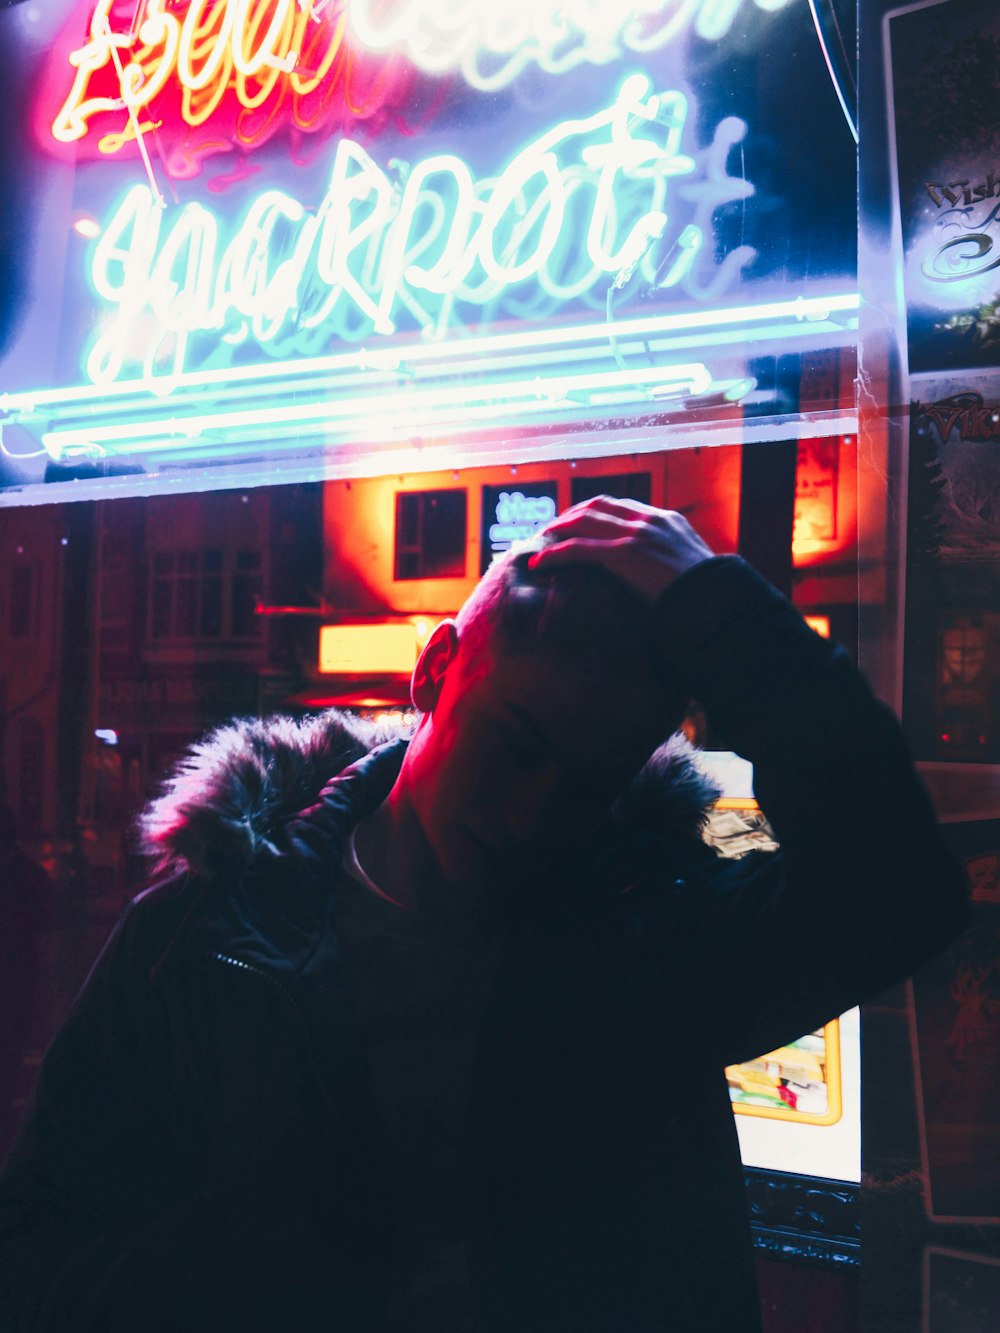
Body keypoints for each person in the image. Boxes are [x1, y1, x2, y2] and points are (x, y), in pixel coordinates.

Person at [0, 497, 968, 1332]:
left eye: (592, 783)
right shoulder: (200, 934)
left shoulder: (647, 933)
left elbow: (896, 893)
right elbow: (40, 1255)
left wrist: (722, 612)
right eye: (516, 742)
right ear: (434, 672)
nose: (535, 810)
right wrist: (241, 1264)